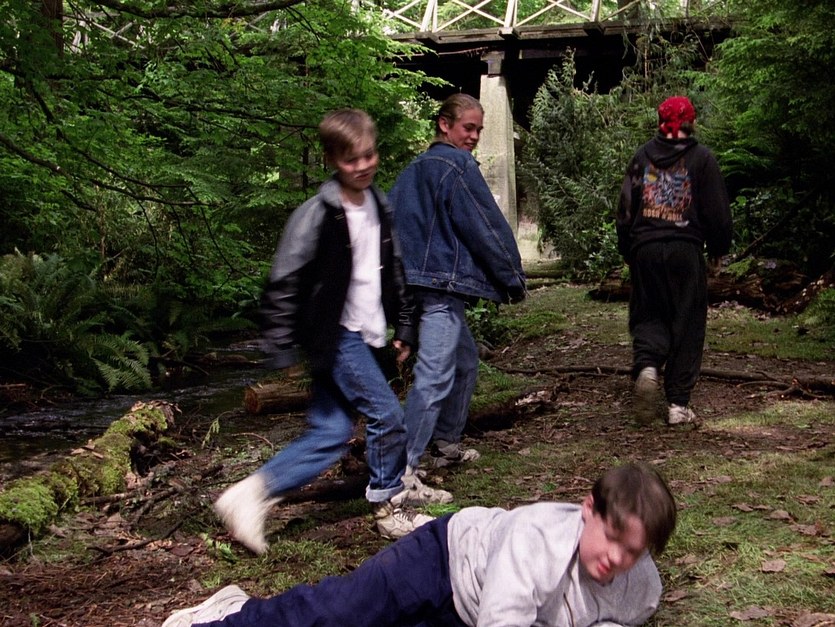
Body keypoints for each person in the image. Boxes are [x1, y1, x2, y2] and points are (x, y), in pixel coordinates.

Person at [213, 109, 453, 553]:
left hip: (365, 332)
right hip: (334, 334)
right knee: (387, 416)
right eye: (350, 159)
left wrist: (404, 324)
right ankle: (389, 506)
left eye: (369, 155)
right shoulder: (316, 214)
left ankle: (249, 494)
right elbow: (284, 279)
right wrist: (280, 346)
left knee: (331, 433)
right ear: (331, 160)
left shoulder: (379, 205)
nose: (362, 166)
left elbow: (394, 269)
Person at [162, 462, 677, 627]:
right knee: (339, 613)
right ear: (588, 509)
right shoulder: (534, 538)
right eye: (612, 538)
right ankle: (228, 617)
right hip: (442, 558)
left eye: (633, 552)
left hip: (466, 614)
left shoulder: (642, 589)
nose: (617, 559)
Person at [388, 93, 527, 471]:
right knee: (433, 377)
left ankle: (445, 445)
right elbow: (486, 227)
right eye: (468, 128)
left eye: (479, 129)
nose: (475, 136)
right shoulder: (458, 165)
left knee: (464, 362)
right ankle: (401, 469)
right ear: (444, 125)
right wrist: (512, 278)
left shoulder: (410, 171)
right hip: (440, 289)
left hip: (414, 287)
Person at [616, 95, 732, 426]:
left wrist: (628, 249)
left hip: (646, 248)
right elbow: (718, 213)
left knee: (649, 313)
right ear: (691, 123)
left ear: (660, 122)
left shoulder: (641, 157)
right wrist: (718, 249)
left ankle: (648, 366)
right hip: (685, 249)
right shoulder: (702, 159)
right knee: (688, 321)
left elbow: (625, 209)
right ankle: (678, 404)